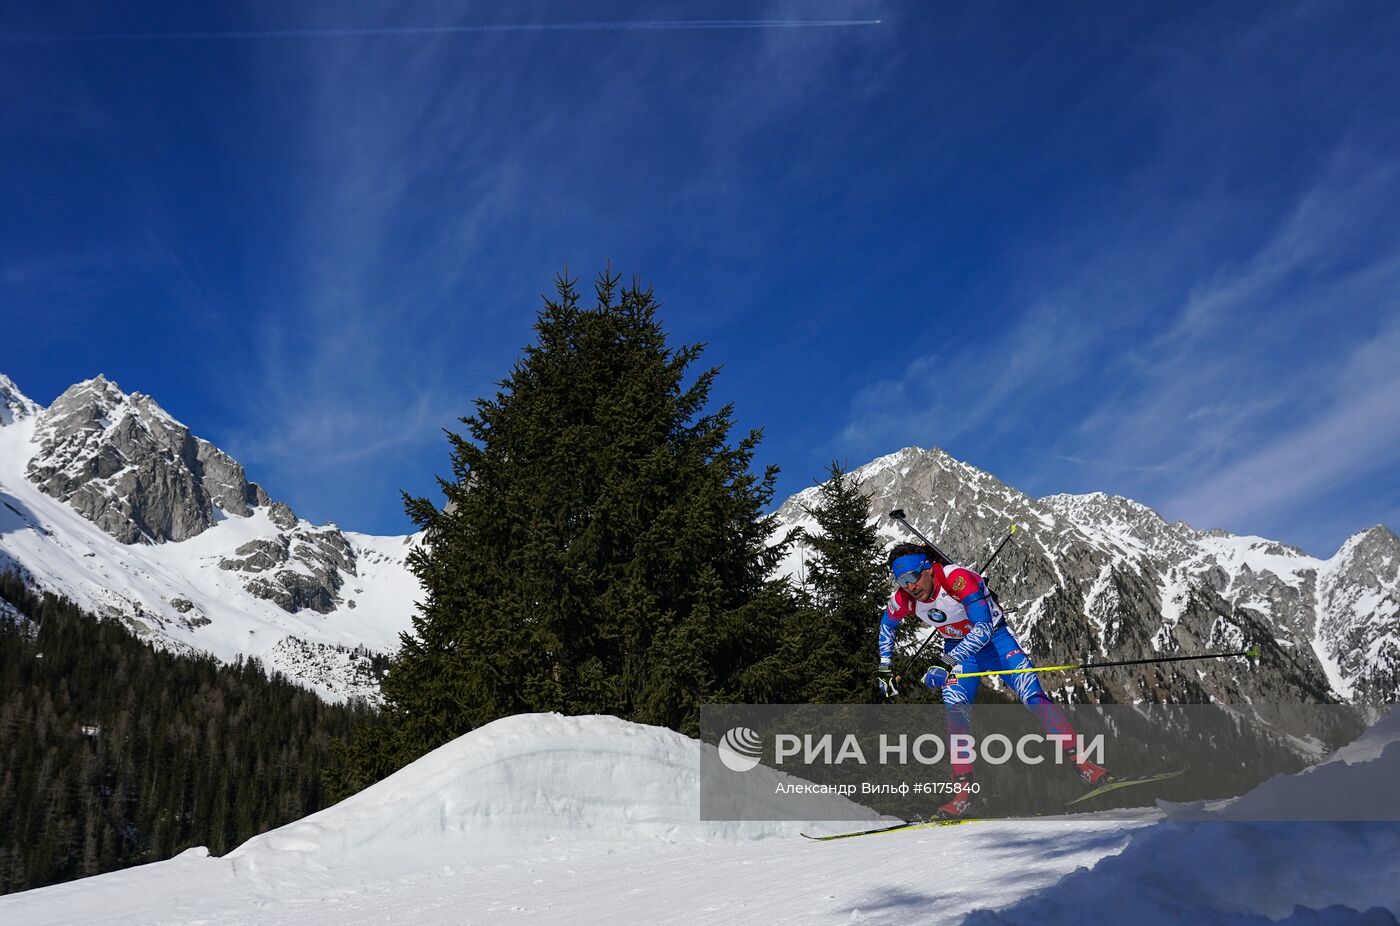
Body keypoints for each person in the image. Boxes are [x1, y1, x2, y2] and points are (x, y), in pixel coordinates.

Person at [875, 541, 1110, 818]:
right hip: (958, 649)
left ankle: (1084, 764)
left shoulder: (958, 579)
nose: (909, 587)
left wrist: (946, 662)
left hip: (995, 643)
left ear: (927, 568)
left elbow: (983, 631)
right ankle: (963, 794)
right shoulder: (906, 598)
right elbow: (887, 626)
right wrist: (886, 667)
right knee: (955, 714)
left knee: (1034, 699)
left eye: (912, 578)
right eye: (901, 581)